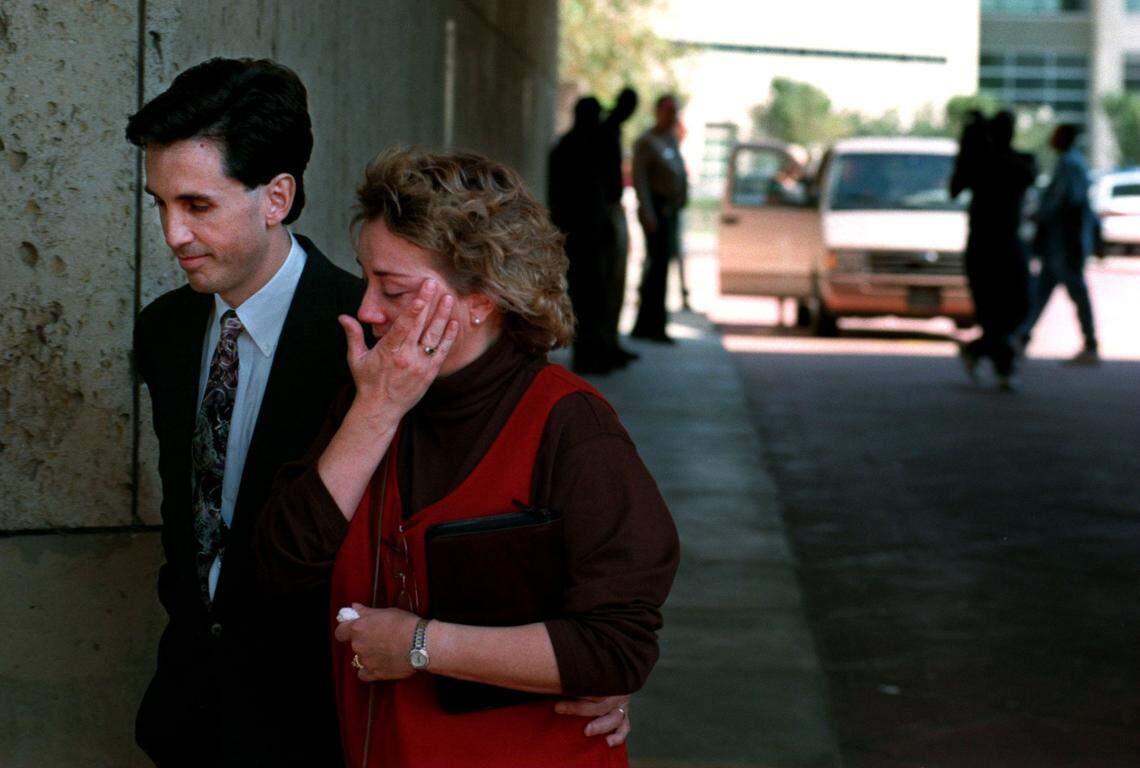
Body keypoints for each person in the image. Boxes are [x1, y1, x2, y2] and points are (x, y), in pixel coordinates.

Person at [130, 58, 629, 767]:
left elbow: (487, 549)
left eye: (197, 206)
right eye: (160, 204)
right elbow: (194, 533)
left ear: (276, 197)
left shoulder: (388, 339)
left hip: (328, 723)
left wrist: (580, 667)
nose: (172, 233)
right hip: (186, 715)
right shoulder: (163, 331)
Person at [256, 148, 680, 767]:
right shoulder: (370, 398)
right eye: (366, 279)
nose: (366, 309)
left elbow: (617, 648)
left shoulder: (571, 426)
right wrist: (374, 413)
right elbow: (279, 569)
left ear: (480, 297)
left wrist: (422, 645)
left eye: (392, 289)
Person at [950, 110, 1037, 389]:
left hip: (1005, 244)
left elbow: (1026, 174)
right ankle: (1003, 366)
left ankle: (980, 351)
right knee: (992, 313)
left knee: (1017, 307)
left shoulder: (1013, 162)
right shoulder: (982, 163)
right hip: (985, 246)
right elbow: (956, 186)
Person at [1019, 123, 1099, 365]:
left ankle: (1090, 345)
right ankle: (1021, 337)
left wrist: (1041, 216)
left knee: (1075, 292)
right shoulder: (1069, 162)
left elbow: (1067, 202)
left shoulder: (1070, 164)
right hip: (1058, 244)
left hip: (1065, 243)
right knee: (1041, 291)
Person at [548, 97, 611, 373]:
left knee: (585, 296)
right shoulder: (581, 147)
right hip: (582, 234)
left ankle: (590, 352)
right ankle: (588, 353)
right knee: (588, 296)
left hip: (578, 233)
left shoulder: (567, 146)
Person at [631, 95, 688, 343]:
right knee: (655, 268)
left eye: (675, 111)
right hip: (656, 211)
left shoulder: (670, 139)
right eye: (669, 111)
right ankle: (650, 325)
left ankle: (654, 323)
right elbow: (640, 180)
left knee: (664, 268)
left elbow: (679, 172)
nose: (673, 116)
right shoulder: (647, 142)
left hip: (670, 211)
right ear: (658, 112)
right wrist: (648, 212)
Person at [598, 87, 641, 368]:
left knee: (615, 281)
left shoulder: (611, 129)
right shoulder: (606, 131)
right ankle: (604, 342)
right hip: (605, 212)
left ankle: (609, 341)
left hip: (611, 209)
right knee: (608, 283)